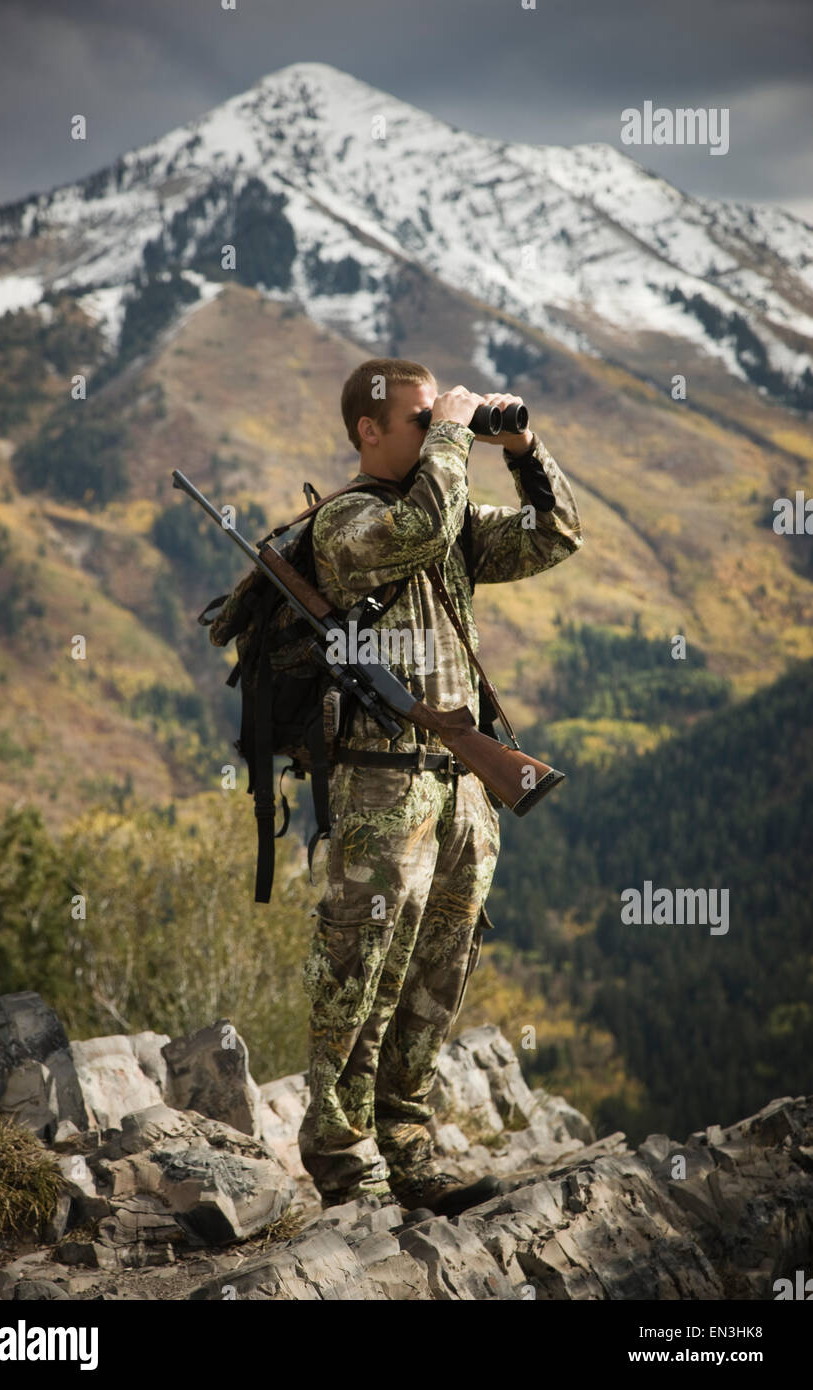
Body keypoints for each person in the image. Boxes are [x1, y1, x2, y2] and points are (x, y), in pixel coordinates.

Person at [298, 357, 583, 1216]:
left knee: (436, 975)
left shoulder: (446, 511)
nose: (435, 433)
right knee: (359, 974)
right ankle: (347, 1170)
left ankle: (410, 1149)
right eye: (418, 421)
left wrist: (523, 446)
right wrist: (456, 433)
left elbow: (556, 534)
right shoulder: (350, 521)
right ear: (367, 431)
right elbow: (419, 530)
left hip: (461, 785)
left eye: (439, 421)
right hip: (379, 796)